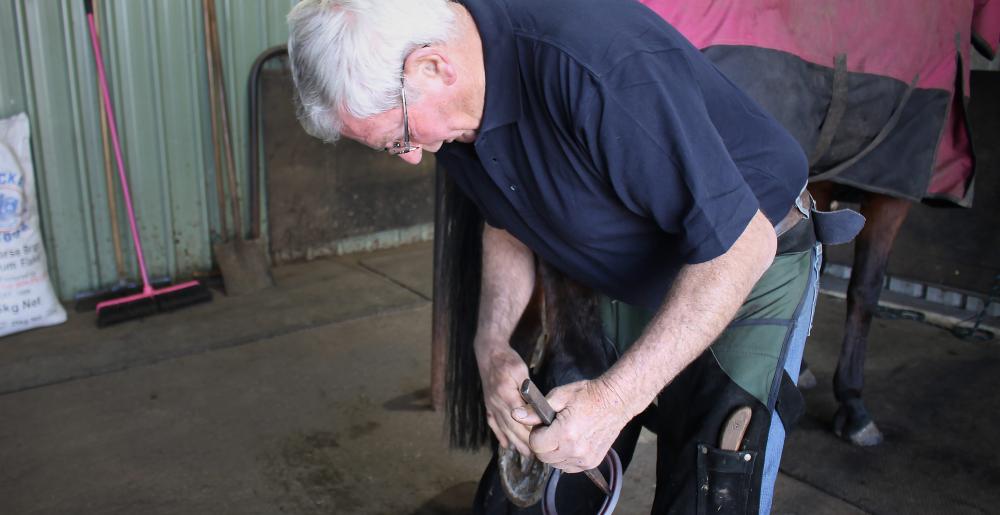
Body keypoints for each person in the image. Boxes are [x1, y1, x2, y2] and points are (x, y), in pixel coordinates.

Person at [286, 0, 863, 513]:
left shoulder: (595, 66)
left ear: (434, 67)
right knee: (531, 492)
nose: (412, 157)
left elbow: (742, 244)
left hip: (738, 271)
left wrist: (613, 401)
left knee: (712, 490)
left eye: (400, 138)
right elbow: (506, 219)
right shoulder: (453, 112)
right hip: (611, 275)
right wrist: (490, 346)